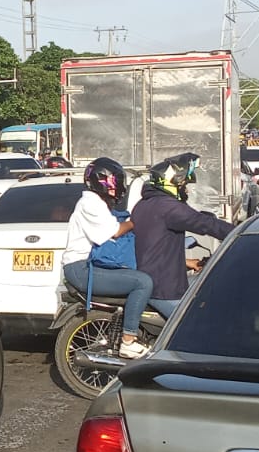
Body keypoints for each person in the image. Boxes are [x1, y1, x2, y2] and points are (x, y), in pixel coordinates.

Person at [61, 157, 154, 358]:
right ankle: (128, 341)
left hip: (87, 267)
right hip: (81, 270)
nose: (118, 186)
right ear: (102, 181)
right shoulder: (90, 204)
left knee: (136, 274)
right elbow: (116, 231)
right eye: (115, 181)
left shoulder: (96, 203)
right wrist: (136, 221)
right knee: (142, 283)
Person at [132, 153, 234, 320]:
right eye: (184, 184)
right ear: (173, 183)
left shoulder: (143, 204)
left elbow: (156, 247)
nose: (186, 189)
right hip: (164, 289)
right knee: (203, 325)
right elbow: (204, 223)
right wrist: (239, 232)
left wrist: (185, 262)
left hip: (152, 279)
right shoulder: (170, 207)